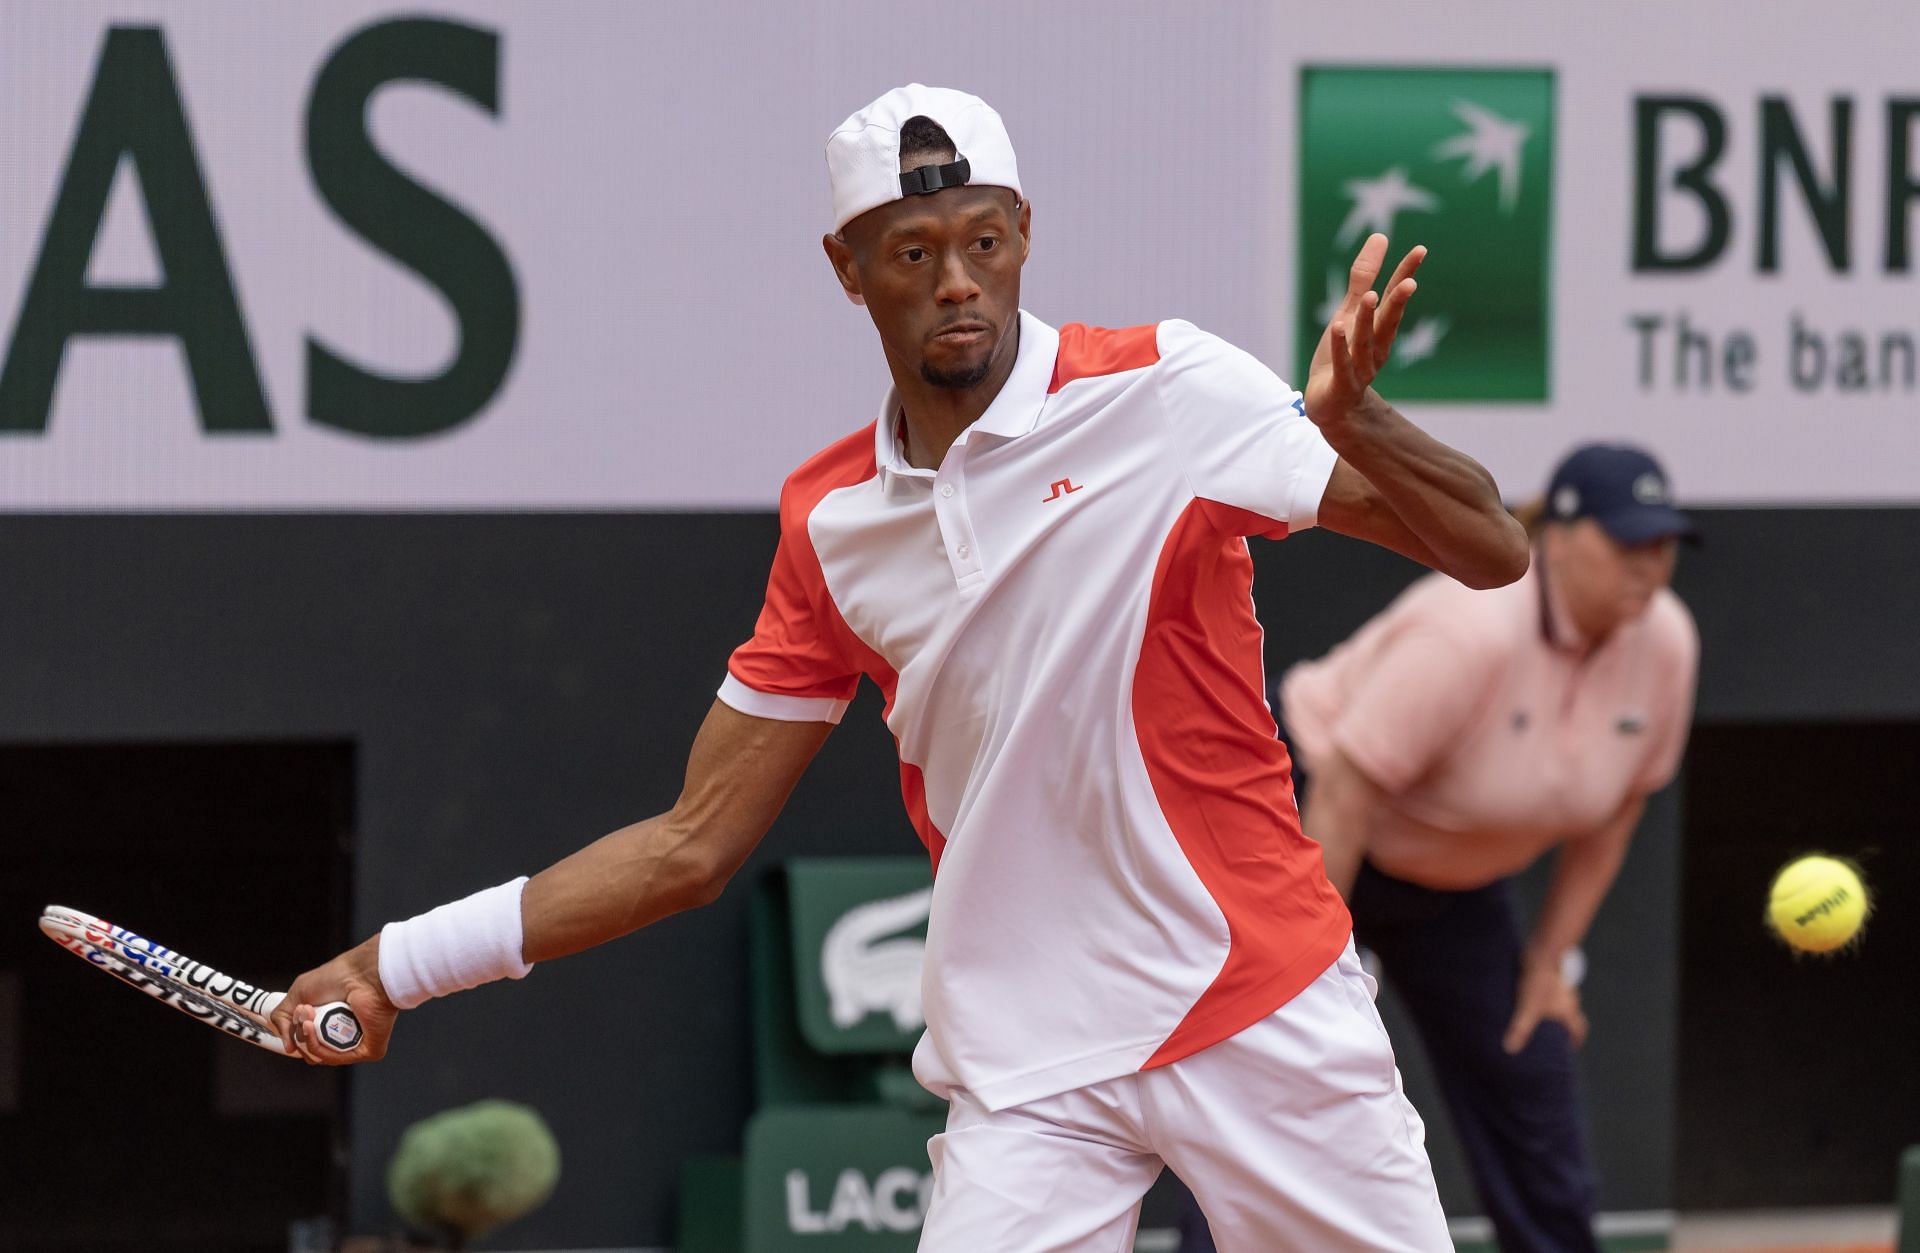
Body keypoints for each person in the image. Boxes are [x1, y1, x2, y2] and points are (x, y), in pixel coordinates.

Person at [273, 84, 1530, 1251]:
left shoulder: (1168, 389)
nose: (957, 284)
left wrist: (1359, 419)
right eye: (914, 253)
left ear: (1025, 233)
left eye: (984, 241)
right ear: (849, 269)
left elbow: (1490, 549)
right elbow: (691, 844)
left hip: (1256, 1002)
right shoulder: (830, 525)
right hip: (1027, 1067)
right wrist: (398, 963)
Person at [1181, 443, 1698, 1253]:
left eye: (1662, 544)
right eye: (1626, 541)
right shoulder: (1471, 629)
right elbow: (1347, 791)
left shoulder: (1667, 645)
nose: (1649, 564)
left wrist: (1547, 964)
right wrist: (1308, 964)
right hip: (1310, 832)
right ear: (1557, 539)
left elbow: (1618, 812)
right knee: (1269, 1063)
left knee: (1532, 1048)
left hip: (1452, 882)